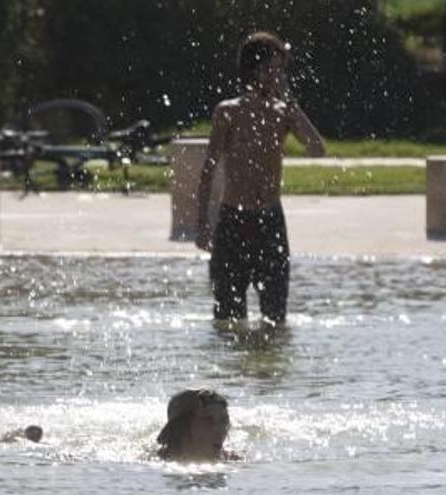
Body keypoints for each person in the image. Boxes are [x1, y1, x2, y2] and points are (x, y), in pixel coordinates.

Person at [195, 32, 326, 325]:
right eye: (272, 68)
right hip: (232, 221)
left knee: (275, 318)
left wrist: (292, 104)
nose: (278, 76)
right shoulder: (228, 112)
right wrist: (202, 223)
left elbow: (317, 149)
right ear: (252, 70)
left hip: (270, 221)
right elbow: (209, 169)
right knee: (227, 319)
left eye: (281, 69)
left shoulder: (284, 113)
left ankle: (268, 370)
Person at [156, 389, 239, 462]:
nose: (221, 429)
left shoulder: (233, 461)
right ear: (181, 426)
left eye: (224, 421)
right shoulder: (153, 462)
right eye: (208, 421)